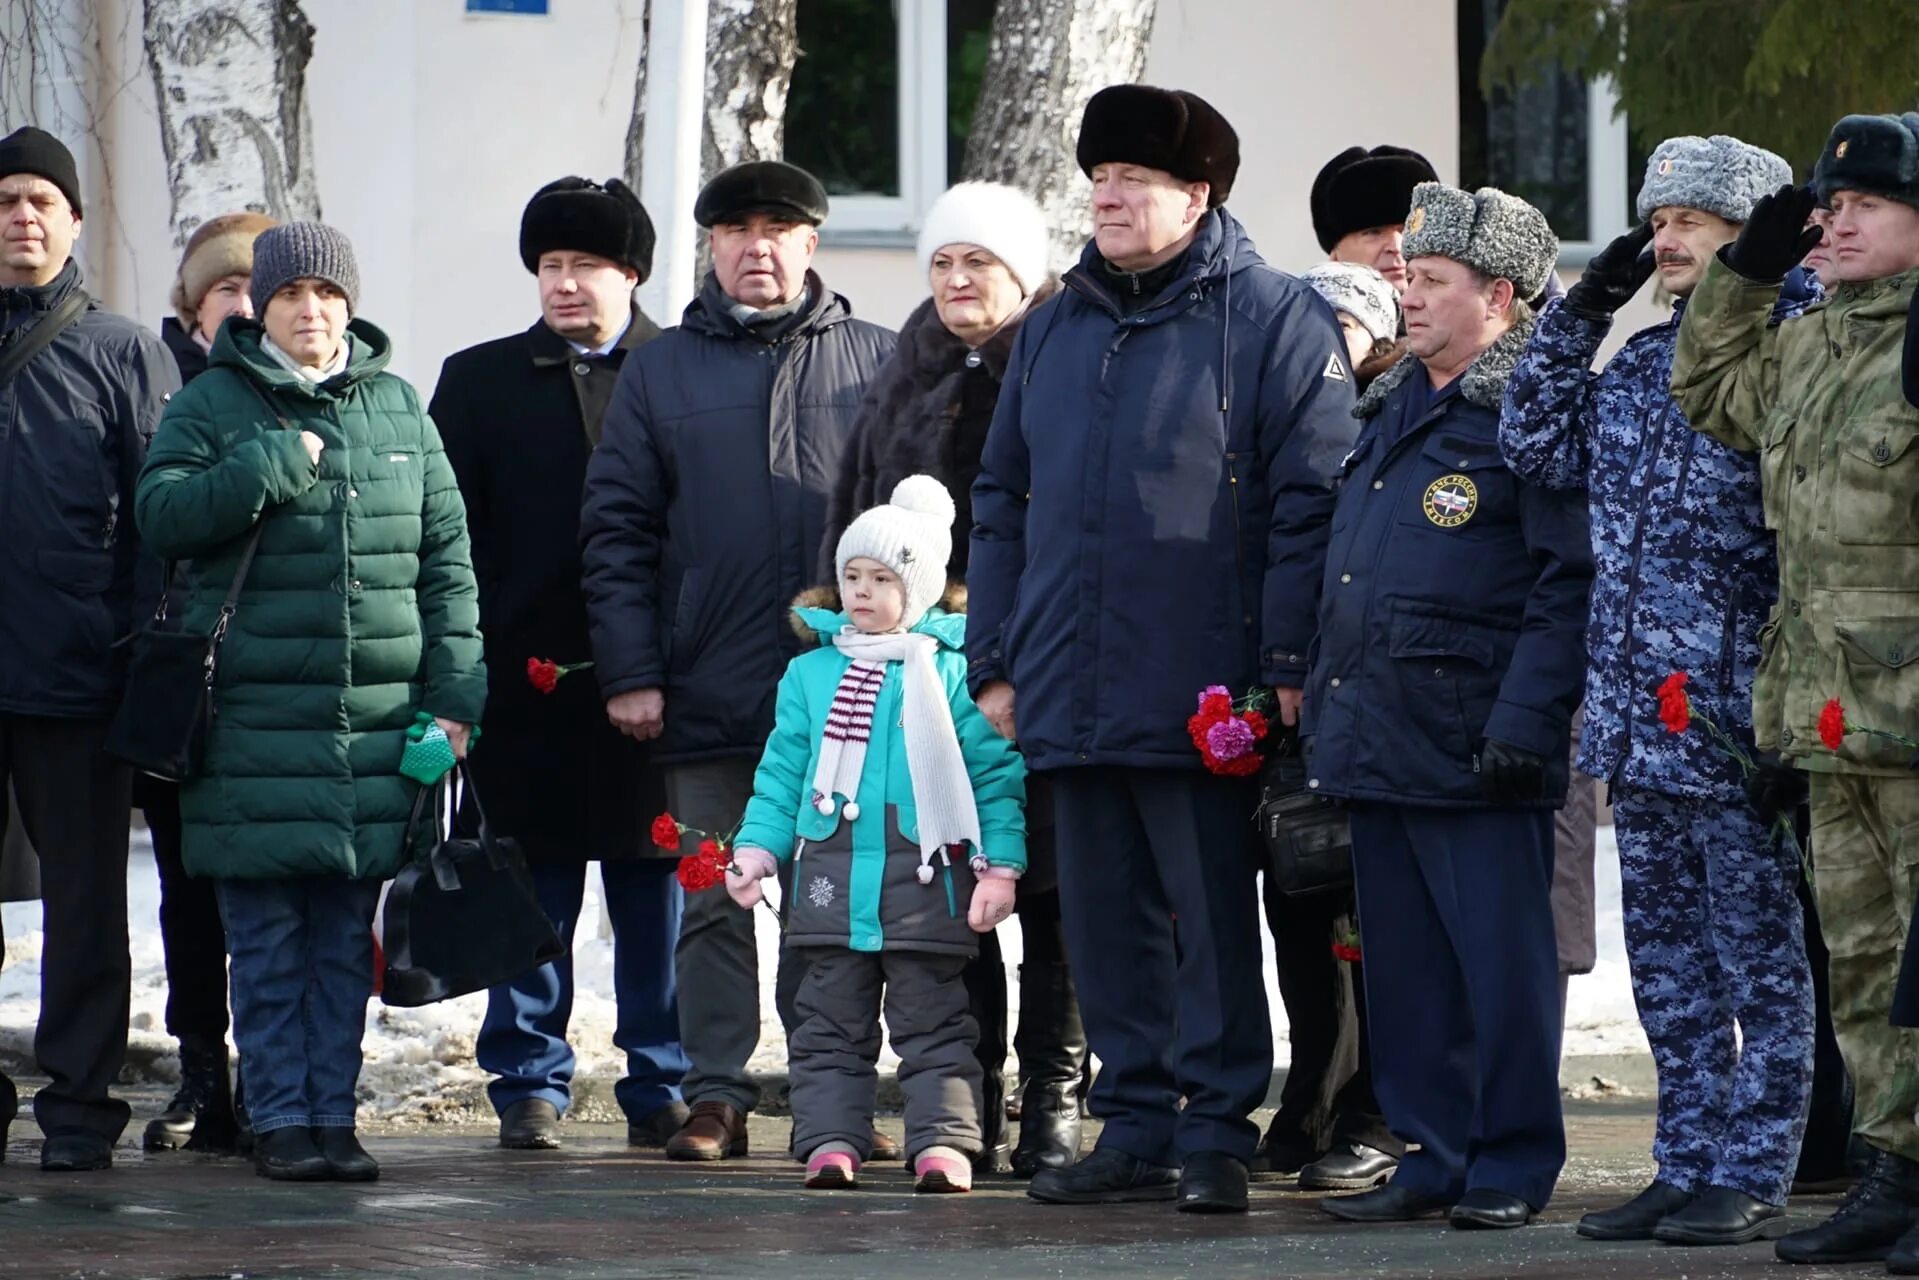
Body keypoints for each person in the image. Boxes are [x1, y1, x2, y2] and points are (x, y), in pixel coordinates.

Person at [967, 84, 1358, 1215]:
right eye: (1098, 178)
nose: (1108, 196)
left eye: (1133, 179)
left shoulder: (1274, 317)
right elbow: (999, 495)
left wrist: (1282, 666)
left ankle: (1214, 1127)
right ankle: (1130, 1121)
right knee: (1100, 920)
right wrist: (996, 654)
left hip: (1206, 688)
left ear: (1197, 194)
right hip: (1068, 682)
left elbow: (1309, 502)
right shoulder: (1052, 323)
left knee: (1208, 921)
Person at [1501, 133, 1818, 1246]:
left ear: (1749, 233)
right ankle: (1682, 1155)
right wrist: (1579, 311)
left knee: (1758, 957)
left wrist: (1781, 712)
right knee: (1672, 964)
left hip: (1733, 722)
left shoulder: (1793, 347)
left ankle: (1755, 1163)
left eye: (1689, 221)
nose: (1663, 239)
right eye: (1657, 219)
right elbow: (1532, 440)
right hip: (1636, 720)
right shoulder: (1639, 362)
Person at [135, 222, 486, 1183]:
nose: (312, 312)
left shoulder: (401, 411)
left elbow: (447, 570)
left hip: (372, 732)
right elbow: (159, 514)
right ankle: (282, 1118)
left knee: (342, 944)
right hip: (248, 730)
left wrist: (455, 699)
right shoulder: (212, 402)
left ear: (349, 306)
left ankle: (335, 1116)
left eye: (328, 296)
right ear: (264, 305)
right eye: (293, 296)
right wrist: (265, 466)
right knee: (265, 942)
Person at [581, 161, 896, 1162]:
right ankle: (713, 1092)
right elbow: (617, 528)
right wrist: (632, 670)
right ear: (708, 246)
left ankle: (829, 1095)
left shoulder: (876, 361)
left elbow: (920, 535)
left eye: (778, 227)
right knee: (711, 897)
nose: (755, 245)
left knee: (830, 902)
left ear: (812, 243)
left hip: (844, 692)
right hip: (705, 686)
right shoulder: (660, 369)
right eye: (733, 229)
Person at [1304, 180, 1591, 1230]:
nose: (1407, 296)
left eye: (1431, 281)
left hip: (1479, 737)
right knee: (1409, 968)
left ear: (1500, 299)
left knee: (1501, 966)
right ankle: (1432, 1148)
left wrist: (1526, 716)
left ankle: (1510, 1156)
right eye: (1405, 278)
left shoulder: (1532, 411)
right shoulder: (1391, 404)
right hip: (1382, 729)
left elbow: (1569, 578)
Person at [1670, 111, 1919, 1268]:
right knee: (1862, 961)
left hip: (1910, 712)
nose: (1836, 220)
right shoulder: (1814, 340)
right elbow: (1707, 388)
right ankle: (1891, 1168)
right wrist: (1746, 268)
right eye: (1831, 202)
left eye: (1865, 204)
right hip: (1826, 711)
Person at [817, 180, 1081, 1178]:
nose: (957, 279)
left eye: (979, 261)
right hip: (920, 682)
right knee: (945, 889)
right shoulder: (903, 367)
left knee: (1048, 889)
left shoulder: (1063, 352)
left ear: (1021, 271)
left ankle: (1051, 1100)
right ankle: (964, 1099)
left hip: (1039, 666)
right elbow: (849, 512)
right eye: (941, 261)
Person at [433, 176, 686, 1154]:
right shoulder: (480, 378)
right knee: (529, 885)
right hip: (525, 684)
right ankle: (527, 1076)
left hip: (659, 684)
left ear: (630, 271)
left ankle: (660, 1076)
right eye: (549, 265)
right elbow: (446, 538)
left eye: (585, 264)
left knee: (655, 886)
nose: (565, 283)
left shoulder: (680, 370)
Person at [726, 476, 1026, 1193]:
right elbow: (783, 771)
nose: (861, 592)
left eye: (882, 578)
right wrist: (756, 847)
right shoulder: (810, 674)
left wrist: (1000, 868)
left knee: (937, 1026)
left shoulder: (949, 674)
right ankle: (830, 1140)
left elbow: (992, 776)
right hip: (829, 883)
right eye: (851, 576)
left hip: (928, 882)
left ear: (918, 589)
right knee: (826, 1024)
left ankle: (944, 1145)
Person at [0, 126, 179, 1171]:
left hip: (79, 678)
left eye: (40, 201)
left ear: (71, 221)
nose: (22, 216)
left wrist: (146, 663)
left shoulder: (120, 351)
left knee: (84, 905)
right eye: (7, 199)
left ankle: (79, 1103)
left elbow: (161, 523)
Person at [1255, 260, 1407, 1191]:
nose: (1324, 342)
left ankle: (1375, 1109)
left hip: (1372, 703)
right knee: (1300, 916)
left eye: (1343, 324)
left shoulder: (1389, 415)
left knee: (1371, 927)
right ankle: (1311, 1093)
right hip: (1291, 708)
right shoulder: (1273, 422)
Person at [142, 210, 276, 1155]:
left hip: (281, 684)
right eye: (223, 289)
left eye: (253, 290)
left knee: (274, 891)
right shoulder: (156, 388)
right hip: (181, 674)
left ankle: (280, 1078)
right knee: (188, 891)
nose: (239, 305)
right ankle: (201, 1071)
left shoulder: (306, 388)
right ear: (192, 308)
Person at [1311, 145, 1440, 293]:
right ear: (1335, 253)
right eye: (1374, 232)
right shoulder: (1305, 314)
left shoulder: (1465, 313)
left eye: (1411, 228)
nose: (1397, 247)